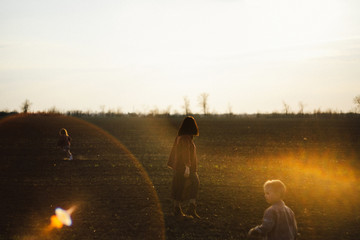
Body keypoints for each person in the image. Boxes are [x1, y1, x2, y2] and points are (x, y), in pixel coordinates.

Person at [168, 116, 200, 219]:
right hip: (185, 167)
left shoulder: (181, 137)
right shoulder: (185, 138)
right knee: (192, 184)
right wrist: (187, 167)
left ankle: (183, 209)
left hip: (181, 167)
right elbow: (185, 152)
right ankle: (187, 209)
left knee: (179, 186)